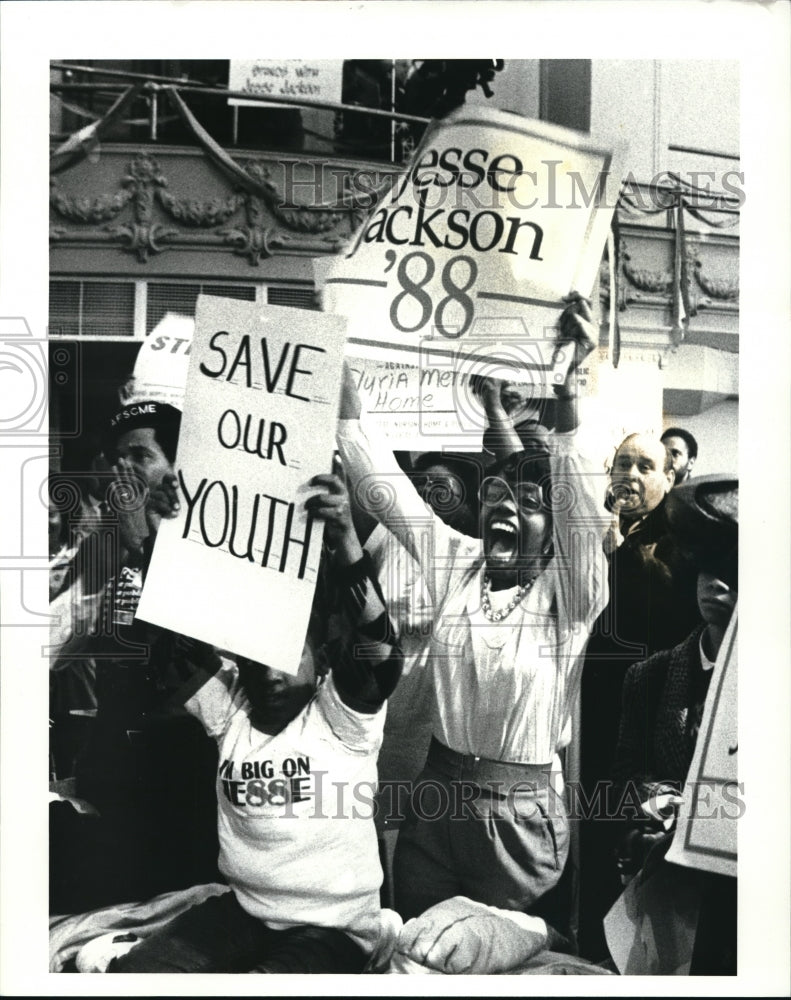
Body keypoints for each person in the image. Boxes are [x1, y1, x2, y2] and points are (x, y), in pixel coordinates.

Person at [336, 295, 609, 931]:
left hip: (517, 821)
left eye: (529, 502)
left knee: (498, 960)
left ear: (554, 527)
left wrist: (570, 386)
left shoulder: (570, 595)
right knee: (418, 947)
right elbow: (379, 478)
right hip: (432, 797)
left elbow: (581, 503)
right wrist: (341, 364)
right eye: (495, 496)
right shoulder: (458, 562)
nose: (506, 509)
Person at [106, 471, 404, 974]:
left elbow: (382, 657)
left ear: (321, 657)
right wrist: (159, 541)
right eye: (254, 657)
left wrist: (347, 543)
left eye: (286, 656)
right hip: (243, 914)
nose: (268, 674)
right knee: (138, 975)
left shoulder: (341, 717)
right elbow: (162, 652)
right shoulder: (231, 711)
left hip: (332, 928)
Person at [50, 399, 222, 912]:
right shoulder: (105, 548)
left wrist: (140, 542)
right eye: (115, 458)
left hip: (183, 775)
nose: (122, 472)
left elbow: (188, 651)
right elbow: (59, 638)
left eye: (139, 456)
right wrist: (113, 550)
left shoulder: (212, 547)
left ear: (178, 466)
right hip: (115, 770)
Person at [577, 431, 702, 958]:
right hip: (591, 722)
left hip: (646, 733)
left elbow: (661, 605)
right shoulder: (596, 533)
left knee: (638, 857)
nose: (629, 473)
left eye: (645, 466)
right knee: (593, 850)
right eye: (622, 463)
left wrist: (618, 545)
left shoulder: (679, 543)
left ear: (669, 479)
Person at [610, 476, 738, 974]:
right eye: (708, 565)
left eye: (735, 569)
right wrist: (652, 802)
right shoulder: (651, 676)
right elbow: (620, 782)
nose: (718, 582)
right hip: (672, 901)